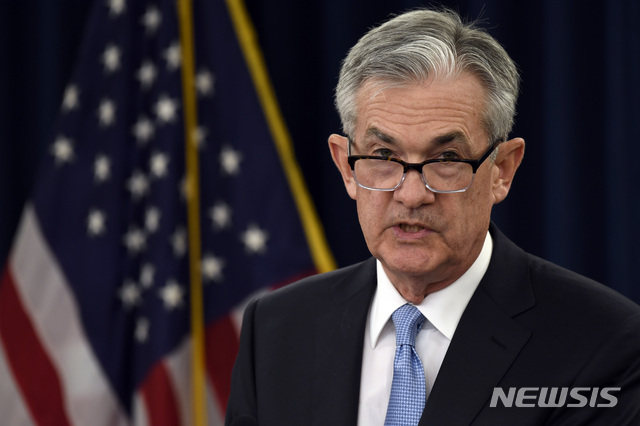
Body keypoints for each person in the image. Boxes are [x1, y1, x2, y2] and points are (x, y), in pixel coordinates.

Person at [225, 8, 640, 426]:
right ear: (346, 167)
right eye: (384, 156)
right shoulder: (276, 329)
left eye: (446, 158)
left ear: (502, 170)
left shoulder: (603, 342)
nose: (411, 194)